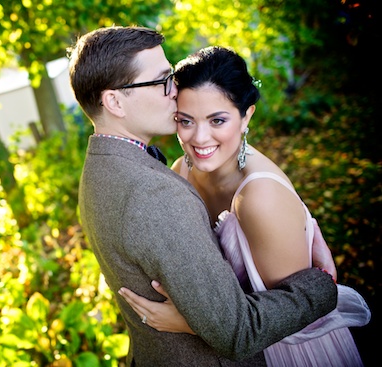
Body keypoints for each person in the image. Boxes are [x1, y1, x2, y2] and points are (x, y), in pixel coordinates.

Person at [67, 26, 338, 366]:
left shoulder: (99, 171)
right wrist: (323, 284)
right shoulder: (156, 192)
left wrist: (194, 321)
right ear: (114, 101)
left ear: (245, 116)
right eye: (162, 80)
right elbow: (237, 332)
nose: (173, 91)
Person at [118, 46, 371, 366]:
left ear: (246, 116)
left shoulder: (259, 199)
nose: (200, 137)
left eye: (217, 119)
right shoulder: (181, 171)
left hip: (292, 351)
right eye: (186, 121)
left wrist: (190, 323)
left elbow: (297, 320)